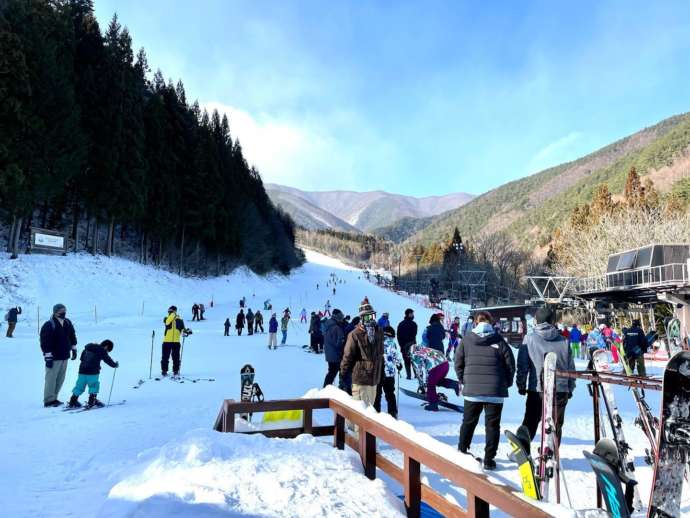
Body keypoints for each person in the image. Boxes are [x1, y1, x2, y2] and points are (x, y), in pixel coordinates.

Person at [455, 310, 515, 470]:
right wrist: (506, 383)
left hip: (472, 389)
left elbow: (458, 362)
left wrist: (464, 380)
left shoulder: (467, 340)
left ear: (475, 323)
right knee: (492, 425)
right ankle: (489, 459)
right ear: (491, 323)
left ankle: (462, 450)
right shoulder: (499, 340)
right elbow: (510, 364)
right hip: (495, 390)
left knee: (468, 422)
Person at [517, 306, 575, 442]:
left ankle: (523, 450)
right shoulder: (564, 341)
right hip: (560, 390)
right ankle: (552, 455)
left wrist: (521, 384)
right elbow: (570, 368)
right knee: (555, 426)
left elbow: (523, 366)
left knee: (530, 422)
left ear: (537, 321)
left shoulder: (529, 339)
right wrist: (570, 387)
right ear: (553, 321)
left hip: (536, 389)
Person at [340, 298, 384, 408]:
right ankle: (351, 425)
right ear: (361, 318)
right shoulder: (355, 334)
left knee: (369, 412)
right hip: (361, 379)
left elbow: (380, 354)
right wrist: (343, 374)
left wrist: (381, 372)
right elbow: (348, 356)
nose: (370, 319)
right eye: (367, 317)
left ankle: (352, 424)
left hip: (374, 379)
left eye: (372, 316)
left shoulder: (379, 332)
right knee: (361, 412)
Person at [40, 304, 78, 407]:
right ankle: (48, 400)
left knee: (60, 379)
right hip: (54, 357)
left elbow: (72, 335)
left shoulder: (67, 322)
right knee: (51, 379)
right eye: (61, 311)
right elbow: (45, 342)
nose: (63, 313)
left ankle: (54, 398)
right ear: (55, 312)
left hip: (65, 355)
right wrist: (48, 357)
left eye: (64, 310)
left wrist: (74, 349)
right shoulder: (49, 325)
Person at [66, 339, 118, 408]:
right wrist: (115, 365)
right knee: (93, 386)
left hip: (82, 371)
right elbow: (107, 360)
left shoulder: (87, 348)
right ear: (106, 346)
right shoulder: (101, 350)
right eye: (108, 350)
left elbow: (81, 358)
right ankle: (92, 401)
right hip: (93, 373)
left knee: (79, 386)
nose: (107, 352)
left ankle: (73, 401)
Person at [411, 342, 459, 411]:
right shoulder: (423, 348)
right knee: (437, 381)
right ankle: (455, 385)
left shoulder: (415, 353)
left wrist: (421, 385)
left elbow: (419, 370)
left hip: (437, 366)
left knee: (430, 384)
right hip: (445, 364)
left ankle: (433, 404)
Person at [374, 326, 403, 418]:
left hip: (376, 372)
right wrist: (399, 364)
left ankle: (375, 413)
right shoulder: (391, 342)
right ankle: (392, 413)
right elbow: (395, 355)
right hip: (388, 372)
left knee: (377, 394)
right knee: (390, 393)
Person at [323, 309, 348, 389]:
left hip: (330, 353)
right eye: (341, 317)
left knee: (331, 372)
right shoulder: (336, 328)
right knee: (334, 372)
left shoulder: (328, 324)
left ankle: (326, 388)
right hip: (335, 355)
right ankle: (327, 388)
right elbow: (339, 343)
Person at [161, 306, 185, 377]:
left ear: (175, 311)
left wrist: (186, 332)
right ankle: (164, 371)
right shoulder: (166, 319)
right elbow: (167, 322)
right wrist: (173, 315)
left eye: (171, 311)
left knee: (176, 357)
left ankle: (176, 371)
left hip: (176, 342)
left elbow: (183, 330)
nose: (169, 312)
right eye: (169, 311)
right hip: (167, 341)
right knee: (165, 357)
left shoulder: (180, 320)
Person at [397, 308, 418, 379]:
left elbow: (398, 336)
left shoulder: (401, 324)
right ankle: (415, 375)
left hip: (404, 346)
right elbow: (414, 335)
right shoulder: (413, 324)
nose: (413, 315)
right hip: (411, 345)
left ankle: (409, 375)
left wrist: (402, 346)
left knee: (407, 361)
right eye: (411, 314)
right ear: (408, 314)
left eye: (413, 314)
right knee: (413, 360)